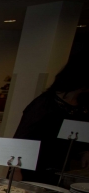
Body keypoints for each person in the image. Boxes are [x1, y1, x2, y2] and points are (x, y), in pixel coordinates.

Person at [14, 55, 89, 185]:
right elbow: (22, 136)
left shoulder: (83, 105)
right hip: (35, 165)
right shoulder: (44, 103)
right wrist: (15, 169)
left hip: (61, 166)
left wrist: (85, 151)